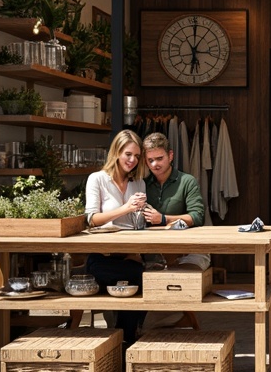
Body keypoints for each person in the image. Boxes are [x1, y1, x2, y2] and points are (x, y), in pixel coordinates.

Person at [78, 129, 148, 340]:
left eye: (137, 156)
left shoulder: (138, 182)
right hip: (103, 256)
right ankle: (125, 337)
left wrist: (143, 214)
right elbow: (91, 219)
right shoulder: (97, 179)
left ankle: (123, 337)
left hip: (131, 254)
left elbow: (137, 225)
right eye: (128, 154)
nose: (133, 160)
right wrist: (126, 208)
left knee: (146, 279)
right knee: (135, 277)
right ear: (116, 152)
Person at [142, 132, 210, 269]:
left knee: (184, 275)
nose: (155, 164)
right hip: (155, 252)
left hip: (189, 250)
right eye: (150, 160)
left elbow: (197, 217)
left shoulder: (187, 181)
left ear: (171, 156)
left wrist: (163, 219)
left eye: (160, 158)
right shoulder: (142, 184)